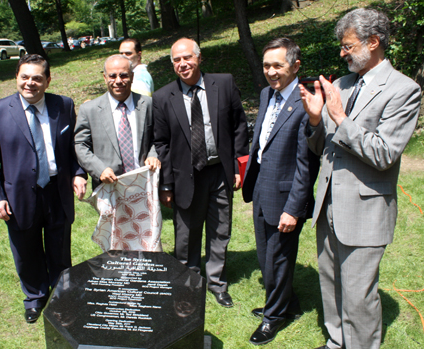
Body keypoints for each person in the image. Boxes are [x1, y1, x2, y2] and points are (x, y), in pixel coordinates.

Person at [299, 8, 421, 349]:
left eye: (348, 46)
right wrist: (314, 121)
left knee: (359, 295)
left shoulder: (403, 90)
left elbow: (383, 153)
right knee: (332, 283)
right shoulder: (342, 84)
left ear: (373, 42)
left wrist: (339, 117)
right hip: (328, 205)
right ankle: (337, 341)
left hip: (365, 210)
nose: (342, 53)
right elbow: (322, 145)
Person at [0, 54, 87, 323]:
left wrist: (78, 173)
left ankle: (63, 296)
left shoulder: (63, 105)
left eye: (37, 78)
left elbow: (73, 149)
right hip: (19, 198)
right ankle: (35, 298)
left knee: (60, 250)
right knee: (26, 253)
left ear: (48, 80)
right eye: (24, 77)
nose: (30, 83)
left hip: (57, 192)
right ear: (16, 77)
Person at [153, 38, 248, 308]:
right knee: (186, 235)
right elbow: (161, 143)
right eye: (176, 60)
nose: (183, 64)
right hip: (186, 175)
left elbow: (239, 126)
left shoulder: (224, 83)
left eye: (187, 58)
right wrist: (167, 184)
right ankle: (190, 282)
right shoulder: (162, 97)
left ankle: (217, 282)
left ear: (199, 58)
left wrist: (240, 166)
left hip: (220, 172)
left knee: (220, 230)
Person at [242, 38, 319, 345]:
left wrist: (293, 208)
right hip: (262, 186)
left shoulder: (306, 103)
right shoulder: (266, 94)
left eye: (278, 65)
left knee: (278, 258)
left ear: (296, 66)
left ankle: (274, 317)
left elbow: (306, 165)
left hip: (287, 196)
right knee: (266, 255)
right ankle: (286, 301)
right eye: (266, 66)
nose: (271, 72)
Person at [74, 54, 160, 191]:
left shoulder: (148, 104)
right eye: (112, 76)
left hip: (144, 184)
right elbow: (80, 145)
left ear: (132, 76)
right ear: (105, 77)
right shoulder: (89, 110)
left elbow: (158, 138)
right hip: (108, 186)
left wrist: (153, 155)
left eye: (124, 75)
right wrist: (99, 169)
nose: (118, 81)